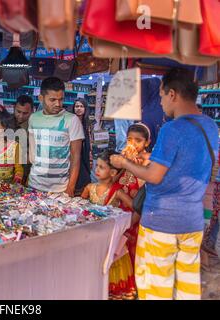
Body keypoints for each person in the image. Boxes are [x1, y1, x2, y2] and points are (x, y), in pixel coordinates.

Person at [110, 68, 219, 300]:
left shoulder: (172, 128)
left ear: (172, 94)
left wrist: (123, 162)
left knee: (155, 288)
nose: (159, 103)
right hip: (192, 221)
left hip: (162, 224)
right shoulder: (210, 126)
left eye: (160, 96)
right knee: (186, 287)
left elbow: (154, 176)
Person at [81, 150, 135, 300]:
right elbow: (79, 207)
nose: (96, 170)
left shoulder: (117, 192)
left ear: (112, 172)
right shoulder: (89, 188)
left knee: (110, 266)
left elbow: (134, 207)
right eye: (96, 166)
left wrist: (124, 223)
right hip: (93, 237)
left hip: (112, 239)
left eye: (101, 167)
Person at [28, 77, 84, 196]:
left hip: (60, 189)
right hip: (34, 185)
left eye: (61, 99)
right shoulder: (33, 118)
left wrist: (70, 188)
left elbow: (76, 157)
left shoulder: (72, 120)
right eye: (52, 100)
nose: (58, 104)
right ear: (41, 98)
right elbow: (33, 152)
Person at [116, 123, 152, 267]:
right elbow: (113, 181)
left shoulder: (149, 160)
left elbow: (146, 191)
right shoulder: (123, 158)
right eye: (129, 140)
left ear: (147, 142)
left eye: (138, 140)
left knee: (135, 246)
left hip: (137, 213)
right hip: (121, 210)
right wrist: (122, 163)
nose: (133, 144)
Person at [69, 98, 92, 195]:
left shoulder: (87, 123)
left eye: (81, 106)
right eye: (77, 106)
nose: (79, 108)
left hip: (85, 153)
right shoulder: (70, 122)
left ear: (85, 108)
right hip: (74, 153)